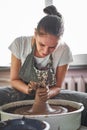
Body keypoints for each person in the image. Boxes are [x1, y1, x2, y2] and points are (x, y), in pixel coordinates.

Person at [0, 5, 73, 106]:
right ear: (35, 33)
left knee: (84, 101)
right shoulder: (20, 44)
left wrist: (48, 93)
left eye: (52, 47)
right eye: (42, 44)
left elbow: (57, 87)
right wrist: (28, 89)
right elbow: (14, 80)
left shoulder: (64, 50)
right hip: (22, 91)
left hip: (49, 94)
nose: (45, 51)